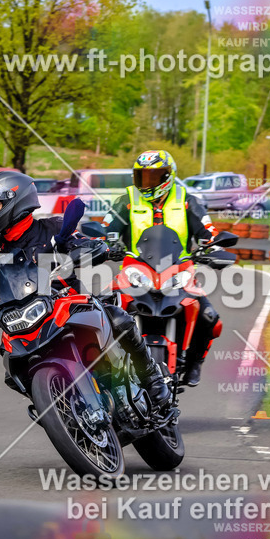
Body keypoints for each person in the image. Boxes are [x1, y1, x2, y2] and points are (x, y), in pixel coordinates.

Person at [0, 170, 170, 411]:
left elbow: (76, 240)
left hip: (70, 306)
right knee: (11, 369)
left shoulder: (52, 227)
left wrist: (94, 249)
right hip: (29, 319)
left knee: (118, 318)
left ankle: (153, 380)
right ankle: (62, 411)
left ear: (13, 203)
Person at [101, 149, 221, 386]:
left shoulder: (187, 199)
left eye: (154, 177)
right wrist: (105, 242)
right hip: (135, 269)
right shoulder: (126, 199)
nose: (147, 182)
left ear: (168, 176)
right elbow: (107, 228)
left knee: (209, 317)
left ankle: (194, 363)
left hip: (180, 271)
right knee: (99, 308)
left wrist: (213, 247)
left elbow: (208, 231)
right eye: (142, 176)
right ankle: (104, 365)